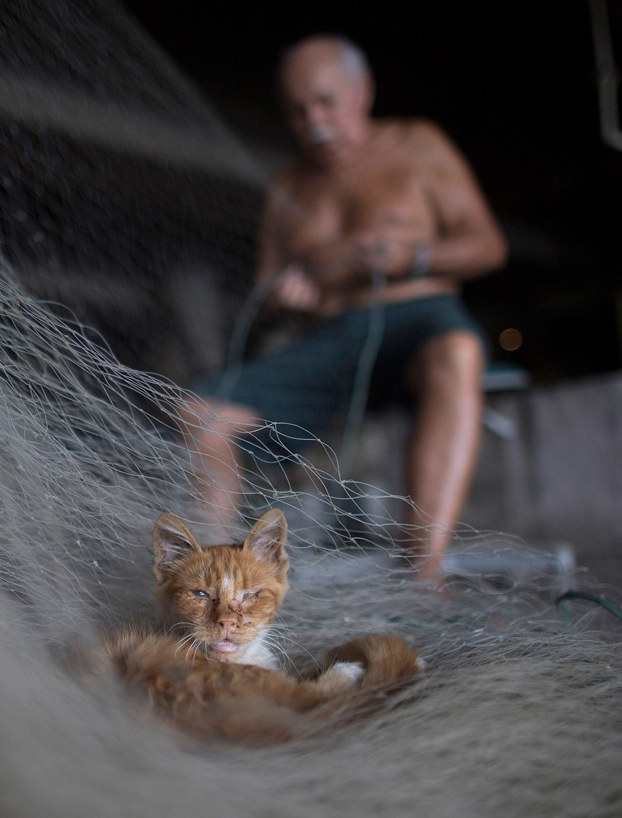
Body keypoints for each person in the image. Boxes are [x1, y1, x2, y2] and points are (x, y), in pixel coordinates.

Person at [181, 34, 507, 587]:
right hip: (329, 340)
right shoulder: (289, 185)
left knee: (459, 349)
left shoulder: (418, 145)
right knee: (200, 414)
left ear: (364, 91)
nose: (315, 123)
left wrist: (417, 255)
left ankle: (424, 574)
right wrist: (284, 297)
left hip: (419, 321)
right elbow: (263, 295)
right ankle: (213, 584)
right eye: (298, 112)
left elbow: (488, 246)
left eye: (327, 103)